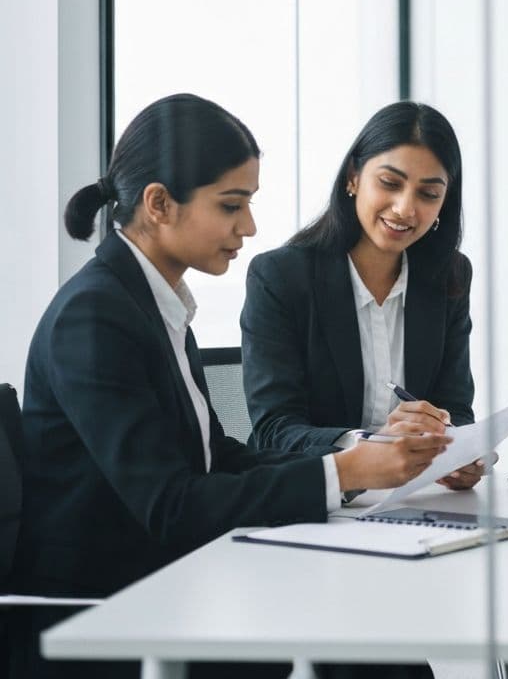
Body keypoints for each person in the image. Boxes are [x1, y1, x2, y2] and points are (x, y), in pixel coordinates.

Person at [10, 94, 450, 679]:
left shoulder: (149, 304)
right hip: (104, 617)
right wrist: (344, 473)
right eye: (231, 205)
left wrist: (351, 464)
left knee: (366, 637)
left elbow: (217, 458)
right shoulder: (94, 318)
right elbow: (172, 505)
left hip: (167, 583)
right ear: (159, 204)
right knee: (352, 635)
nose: (249, 226)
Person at [242, 101, 483, 494]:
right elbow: (274, 430)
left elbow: (455, 408)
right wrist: (370, 446)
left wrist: (457, 449)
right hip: (310, 500)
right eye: (390, 183)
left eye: (428, 193)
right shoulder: (281, 277)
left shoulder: (449, 276)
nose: (405, 208)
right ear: (353, 177)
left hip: (409, 503)